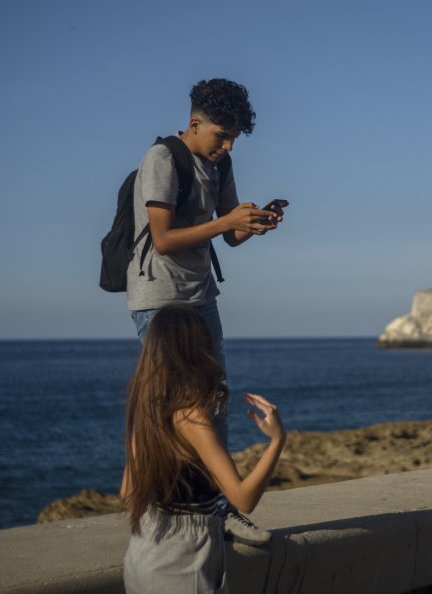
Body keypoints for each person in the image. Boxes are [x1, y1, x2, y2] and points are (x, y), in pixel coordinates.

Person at [126, 78, 284, 544]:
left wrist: (253, 225)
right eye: (221, 135)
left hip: (201, 295)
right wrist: (226, 222)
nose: (228, 145)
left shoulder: (222, 162)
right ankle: (158, 509)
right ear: (195, 123)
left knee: (215, 397)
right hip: (159, 301)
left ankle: (217, 507)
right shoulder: (161, 160)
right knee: (169, 407)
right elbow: (163, 239)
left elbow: (229, 237)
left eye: (234, 137)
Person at [121, 304, 286, 594]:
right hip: (182, 564)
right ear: (198, 351)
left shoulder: (148, 406)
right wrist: (276, 441)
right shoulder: (191, 416)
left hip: (143, 555)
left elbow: (128, 494)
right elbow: (243, 499)